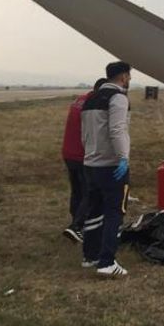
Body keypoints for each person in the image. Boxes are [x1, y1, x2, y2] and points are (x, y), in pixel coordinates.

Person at [80, 61, 132, 276]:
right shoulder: (118, 97)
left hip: (91, 163)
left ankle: (90, 256)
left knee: (94, 211)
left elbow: (85, 133)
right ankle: (107, 262)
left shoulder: (90, 99)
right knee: (114, 213)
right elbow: (118, 129)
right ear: (123, 77)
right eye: (128, 76)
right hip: (111, 166)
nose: (129, 79)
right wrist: (123, 158)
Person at [61, 77, 107, 243]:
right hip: (83, 155)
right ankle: (77, 227)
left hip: (68, 153)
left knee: (77, 190)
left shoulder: (79, 100)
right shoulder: (94, 105)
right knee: (90, 191)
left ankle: (75, 222)